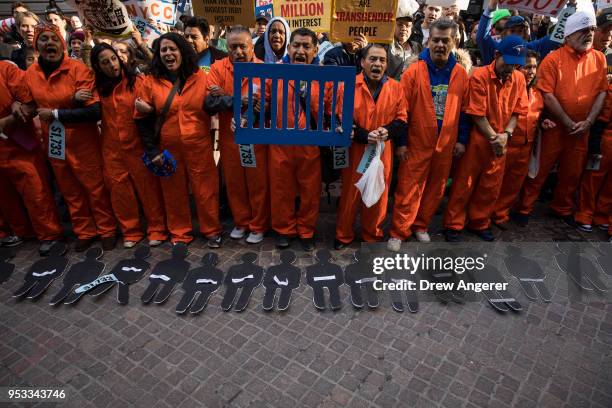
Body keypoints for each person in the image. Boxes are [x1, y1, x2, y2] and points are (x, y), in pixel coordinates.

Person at [24, 24, 118, 251]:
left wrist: (56, 111)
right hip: (55, 142)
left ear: (62, 43)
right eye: (44, 39)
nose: (49, 43)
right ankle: (84, 231)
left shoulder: (78, 70)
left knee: (95, 188)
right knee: (69, 190)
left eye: (54, 39)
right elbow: (27, 103)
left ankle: (106, 229)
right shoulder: (30, 74)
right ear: (37, 45)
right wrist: (69, 100)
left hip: (82, 141)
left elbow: (94, 110)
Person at [516, 10, 608, 226]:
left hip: (581, 130)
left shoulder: (599, 58)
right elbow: (546, 93)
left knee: (572, 173)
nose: (589, 34)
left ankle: (562, 207)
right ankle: (525, 207)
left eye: (592, 30)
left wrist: (589, 122)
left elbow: (602, 92)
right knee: (539, 171)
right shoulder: (553, 59)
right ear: (568, 35)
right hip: (555, 127)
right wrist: (567, 121)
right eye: (583, 30)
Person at [388, 19, 470, 250]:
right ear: (428, 41)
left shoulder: (461, 75)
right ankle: (399, 231)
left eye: (446, 40)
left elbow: (465, 111)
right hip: (416, 142)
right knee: (408, 187)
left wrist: (462, 140)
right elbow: (401, 111)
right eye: (436, 40)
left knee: (436, 187)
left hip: (446, 144)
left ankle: (421, 225)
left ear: (454, 42)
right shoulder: (413, 72)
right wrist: (401, 143)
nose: (440, 45)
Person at [134, 32, 222, 247]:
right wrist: (153, 152)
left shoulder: (201, 77)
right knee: (173, 193)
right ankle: (180, 233)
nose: (168, 53)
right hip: (168, 149)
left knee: (206, 190)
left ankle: (211, 230)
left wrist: (219, 97)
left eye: (172, 49)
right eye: (163, 50)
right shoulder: (149, 82)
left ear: (182, 52)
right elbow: (141, 120)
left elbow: (212, 105)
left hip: (199, 146)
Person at [443, 35, 529, 242]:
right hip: (479, 139)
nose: (510, 69)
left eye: (516, 65)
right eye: (508, 63)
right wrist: (495, 138)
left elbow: (518, 110)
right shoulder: (479, 75)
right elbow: (476, 113)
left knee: (491, 185)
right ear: (497, 55)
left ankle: (479, 222)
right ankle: (453, 224)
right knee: (465, 182)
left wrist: (506, 135)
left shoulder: (518, 78)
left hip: (501, 138)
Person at [90, 43, 167, 248]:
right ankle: (131, 231)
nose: (112, 65)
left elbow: (150, 110)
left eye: (113, 59)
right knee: (119, 191)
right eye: (105, 62)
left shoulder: (137, 81)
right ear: (98, 67)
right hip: (112, 148)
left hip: (137, 145)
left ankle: (156, 229)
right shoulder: (97, 87)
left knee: (148, 189)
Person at [334, 44, 408, 250]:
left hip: (383, 151)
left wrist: (387, 131)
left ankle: (372, 236)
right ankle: (343, 235)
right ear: (362, 62)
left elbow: (402, 119)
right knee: (350, 194)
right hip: (356, 149)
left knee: (379, 195)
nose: (377, 64)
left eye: (382, 60)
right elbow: (341, 118)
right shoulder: (348, 86)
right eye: (373, 59)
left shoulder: (396, 87)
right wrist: (364, 135)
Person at [205, 26, 270, 244]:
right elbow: (209, 102)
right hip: (228, 138)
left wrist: (226, 96)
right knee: (234, 183)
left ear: (252, 46)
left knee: (257, 182)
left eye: (243, 46)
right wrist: (236, 100)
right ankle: (241, 222)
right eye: (233, 47)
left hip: (255, 138)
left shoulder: (264, 70)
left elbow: (267, 103)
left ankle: (258, 225)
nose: (238, 51)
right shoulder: (217, 68)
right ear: (227, 48)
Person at [266, 27, 326, 251]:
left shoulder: (324, 75)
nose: (301, 51)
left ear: (315, 49)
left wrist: (307, 93)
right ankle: (284, 230)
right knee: (281, 189)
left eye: (306, 46)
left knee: (310, 190)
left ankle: (306, 230)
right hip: (280, 142)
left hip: (310, 141)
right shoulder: (273, 72)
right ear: (288, 48)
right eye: (296, 46)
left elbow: (328, 109)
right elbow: (263, 99)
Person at [0, 60, 64, 255]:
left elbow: (31, 103)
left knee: (35, 190)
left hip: (19, 146)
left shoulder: (6, 69)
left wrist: (8, 120)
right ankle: (17, 232)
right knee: (4, 196)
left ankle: (49, 235)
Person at [491, 50, 556, 228]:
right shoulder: (509, 88)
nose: (532, 71)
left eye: (535, 67)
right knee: (495, 183)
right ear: (518, 68)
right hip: (507, 144)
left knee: (514, 184)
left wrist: (544, 121)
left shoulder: (537, 93)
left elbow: (537, 115)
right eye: (527, 67)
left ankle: (500, 215)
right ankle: (484, 214)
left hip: (526, 147)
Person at [575, 80, 611, 234]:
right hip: (605, 139)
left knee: (609, 184)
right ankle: (585, 215)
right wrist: (595, 146)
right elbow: (600, 120)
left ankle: (600, 216)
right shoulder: (608, 92)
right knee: (592, 179)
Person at [477, 0, 561, 65]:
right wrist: (490, 10)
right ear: (505, 33)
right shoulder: (495, 48)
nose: (516, 34)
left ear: (525, 35)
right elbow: (482, 37)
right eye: (512, 30)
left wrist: (571, 6)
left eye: (520, 31)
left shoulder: (530, 49)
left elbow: (555, 38)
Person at [387, 14, 422, 80]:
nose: (404, 29)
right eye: (400, 25)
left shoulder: (416, 46)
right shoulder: (386, 45)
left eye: (408, 26)